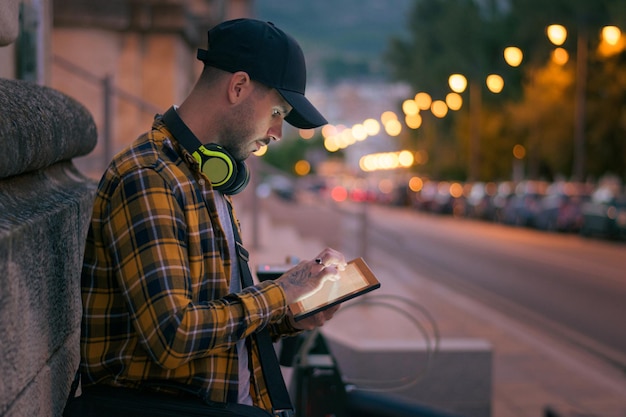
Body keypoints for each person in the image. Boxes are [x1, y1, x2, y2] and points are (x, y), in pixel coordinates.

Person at [78, 18, 346, 415]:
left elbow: (216, 317)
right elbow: (174, 336)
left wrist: (290, 316)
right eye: (276, 111)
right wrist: (281, 291)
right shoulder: (150, 178)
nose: (277, 133)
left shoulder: (207, 176)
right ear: (238, 87)